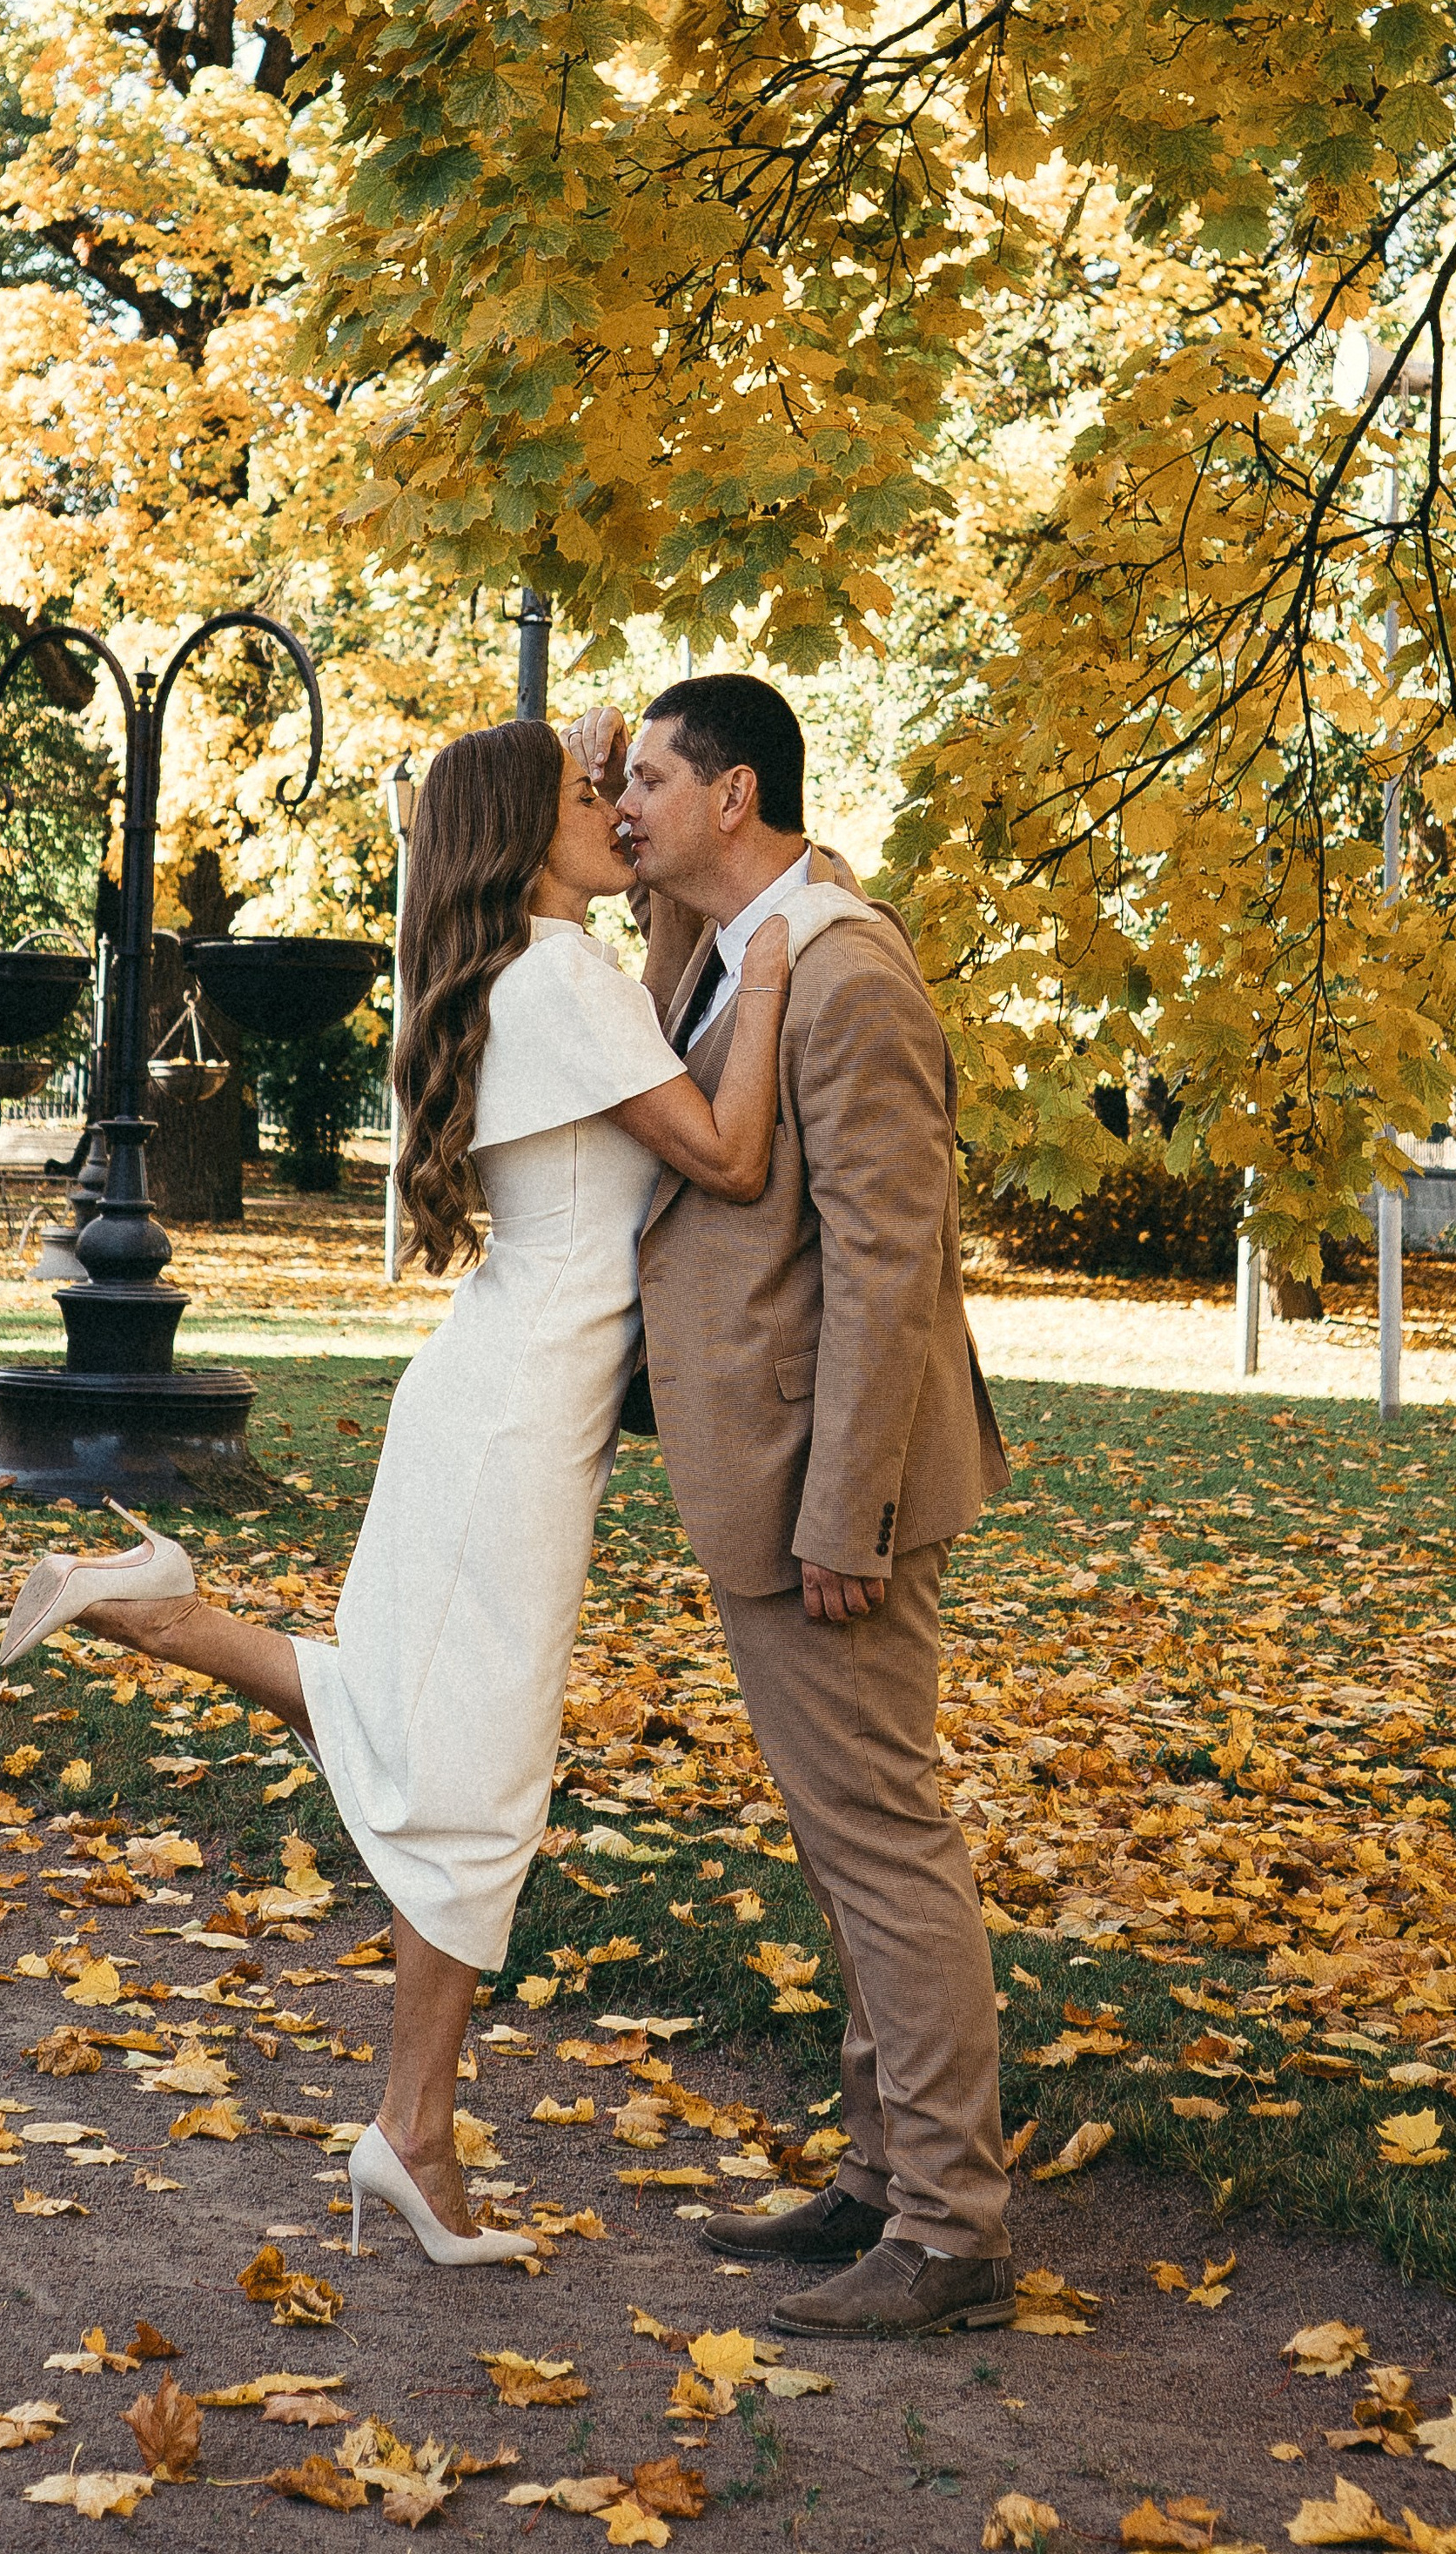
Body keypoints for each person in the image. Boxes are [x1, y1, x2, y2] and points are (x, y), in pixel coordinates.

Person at [0, 717, 792, 2272]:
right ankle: (413, 2135)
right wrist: (771, 968)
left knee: (428, 1736)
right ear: (518, 835)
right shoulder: (555, 981)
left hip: (497, 1395)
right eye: (590, 795)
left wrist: (587, 783)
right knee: (479, 1782)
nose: (621, 814)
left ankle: (145, 1605)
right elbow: (735, 1156)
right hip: (511, 1420)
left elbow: (632, 928)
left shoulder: (532, 971)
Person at [567, 676, 1015, 2337]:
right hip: (771, 1469)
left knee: (885, 1846)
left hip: (833, 1493)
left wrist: (848, 1512)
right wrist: (610, 795)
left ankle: (952, 2226)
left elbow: (896, 1266)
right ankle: (883, 2176)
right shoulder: (741, 947)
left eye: (657, 783)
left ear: (740, 791)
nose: (625, 811)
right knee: (847, 1848)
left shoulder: (842, 972)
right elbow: (662, 968)